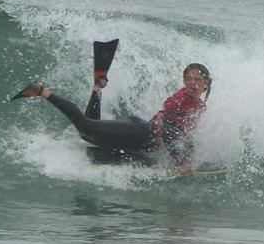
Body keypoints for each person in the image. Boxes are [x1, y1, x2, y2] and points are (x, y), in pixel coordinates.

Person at [12, 64, 212, 174]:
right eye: (189, 79)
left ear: (205, 84)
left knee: (90, 137)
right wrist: (182, 162)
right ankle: (42, 92)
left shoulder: (198, 105)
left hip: (143, 140)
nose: (192, 83)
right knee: (87, 128)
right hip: (140, 132)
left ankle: (97, 90)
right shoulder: (183, 99)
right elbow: (169, 130)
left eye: (197, 79)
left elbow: (181, 134)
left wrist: (192, 158)